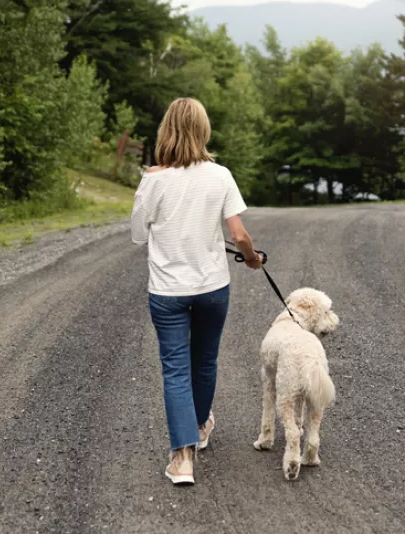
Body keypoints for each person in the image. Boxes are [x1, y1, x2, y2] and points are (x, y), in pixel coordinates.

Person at [131, 98, 262, 486]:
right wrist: (252, 258)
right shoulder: (220, 175)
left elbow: (139, 235)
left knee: (175, 368)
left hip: (168, 291)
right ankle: (201, 428)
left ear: (166, 131)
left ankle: (182, 458)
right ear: (203, 130)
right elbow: (238, 234)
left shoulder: (153, 179)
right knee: (205, 361)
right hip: (211, 288)